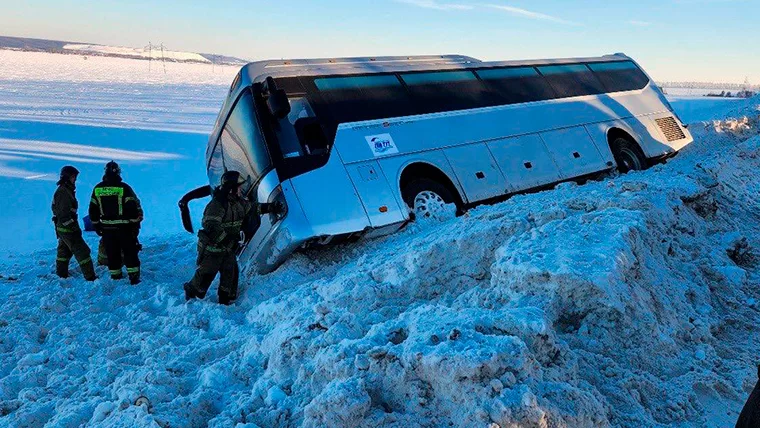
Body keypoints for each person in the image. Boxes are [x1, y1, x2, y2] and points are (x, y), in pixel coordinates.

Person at [183, 171, 281, 305]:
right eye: (239, 187)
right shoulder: (217, 205)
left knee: (230, 273)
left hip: (228, 248)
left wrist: (271, 207)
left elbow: (253, 209)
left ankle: (225, 298)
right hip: (213, 248)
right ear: (231, 188)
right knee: (207, 273)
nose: (241, 189)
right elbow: (211, 226)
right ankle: (191, 290)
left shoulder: (239, 203)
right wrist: (226, 240)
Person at [89, 161, 143, 284]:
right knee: (130, 252)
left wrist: (96, 225)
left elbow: (93, 209)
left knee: (112, 253)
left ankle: (115, 276)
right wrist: (135, 224)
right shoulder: (124, 188)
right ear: (118, 172)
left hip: (107, 229)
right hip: (124, 228)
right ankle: (133, 277)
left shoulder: (98, 189)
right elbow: (132, 208)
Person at [52, 165, 96, 281]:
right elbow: (63, 215)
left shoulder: (66, 190)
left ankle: (61, 274)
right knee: (82, 252)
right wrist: (73, 228)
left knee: (64, 252)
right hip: (68, 229)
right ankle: (90, 277)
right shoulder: (63, 192)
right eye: (73, 177)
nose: (75, 179)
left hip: (63, 228)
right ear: (67, 177)